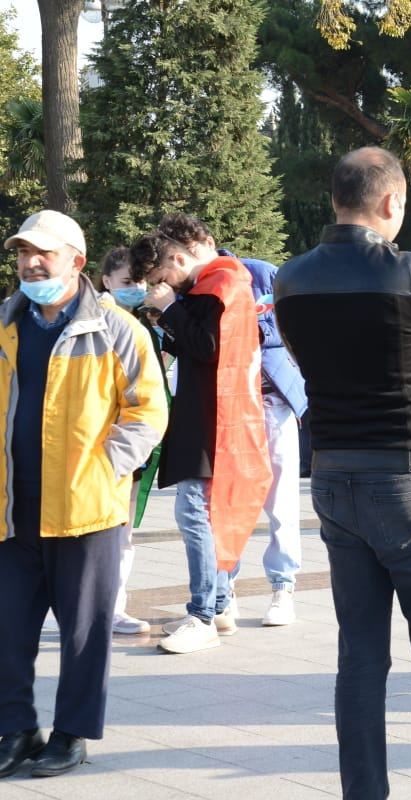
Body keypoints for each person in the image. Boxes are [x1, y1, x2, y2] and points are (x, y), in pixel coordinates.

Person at [274, 146, 411, 800]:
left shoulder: (292, 278)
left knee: (361, 659)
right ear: (392, 204)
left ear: (336, 198)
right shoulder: (410, 275)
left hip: (337, 483)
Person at [0, 210, 167, 778]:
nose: (30, 263)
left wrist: (106, 467)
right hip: (14, 507)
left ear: (76, 258)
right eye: (23, 253)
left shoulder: (119, 329)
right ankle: (17, 728)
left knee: (84, 632)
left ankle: (71, 735)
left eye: (41, 253)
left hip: (85, 508)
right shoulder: (5, 325)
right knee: (9, 626)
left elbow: (149, 412)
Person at [129, 217, 273, 655]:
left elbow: (208, 347)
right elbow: (194, 345)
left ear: (178, 258)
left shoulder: (221, 284)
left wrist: (171, 306)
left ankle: (203, 613)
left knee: (197, 515)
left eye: (161, 277)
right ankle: (220, 603)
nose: (162, 284)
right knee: (209, 515)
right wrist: (167, 314)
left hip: (216, 421)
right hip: (210, 416)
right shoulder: (212, 283)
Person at [160, 214, 308, 628]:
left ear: (205, 243)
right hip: (226, 412)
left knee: (280, 503)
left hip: (270, 399)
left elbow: (289, 327)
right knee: (226, 500)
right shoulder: (191, 288)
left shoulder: (255, 274)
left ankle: (283, 586)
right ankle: (227, 590)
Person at [96, 248, 156, 636]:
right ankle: (106, 610)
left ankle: (110, 608)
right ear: (105, 281)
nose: (137, 289)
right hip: (107, 451)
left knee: (122, 533)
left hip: (121, 450)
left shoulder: (139, 321)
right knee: (114, 534)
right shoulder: (106, 323)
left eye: (140, 282)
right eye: (127, 283)